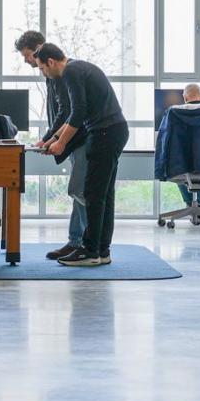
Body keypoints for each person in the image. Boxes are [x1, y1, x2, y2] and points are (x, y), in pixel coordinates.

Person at [37, 44, 129, 267]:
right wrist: (50, 140)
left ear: (51, 62)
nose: (43, 74)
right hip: (114, 131)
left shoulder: (70, 72)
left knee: (94, 194)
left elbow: (77, 113)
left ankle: (90, 252)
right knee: (104, 195)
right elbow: (73, 114)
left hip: (104, 133)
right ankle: (102, 251)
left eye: (42, 68)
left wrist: (61, 143)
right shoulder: (79, 68)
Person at [16, 31, 87, 259]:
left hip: (81, 137)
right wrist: (49, 138)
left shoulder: (64, 72)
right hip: (71, 137)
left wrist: (52, 138)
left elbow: (68, 111)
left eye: (28, 56)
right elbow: (59, 110)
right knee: (80, 191)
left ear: (41, 51)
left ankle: (85, 245)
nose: (28, 62)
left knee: (82, 191)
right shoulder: (52, 73)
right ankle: (76, 241)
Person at [172, 83, 200, 222]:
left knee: (179, 167)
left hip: (181, 164)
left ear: (185, 98)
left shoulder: (173, 113)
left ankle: (191, 204)